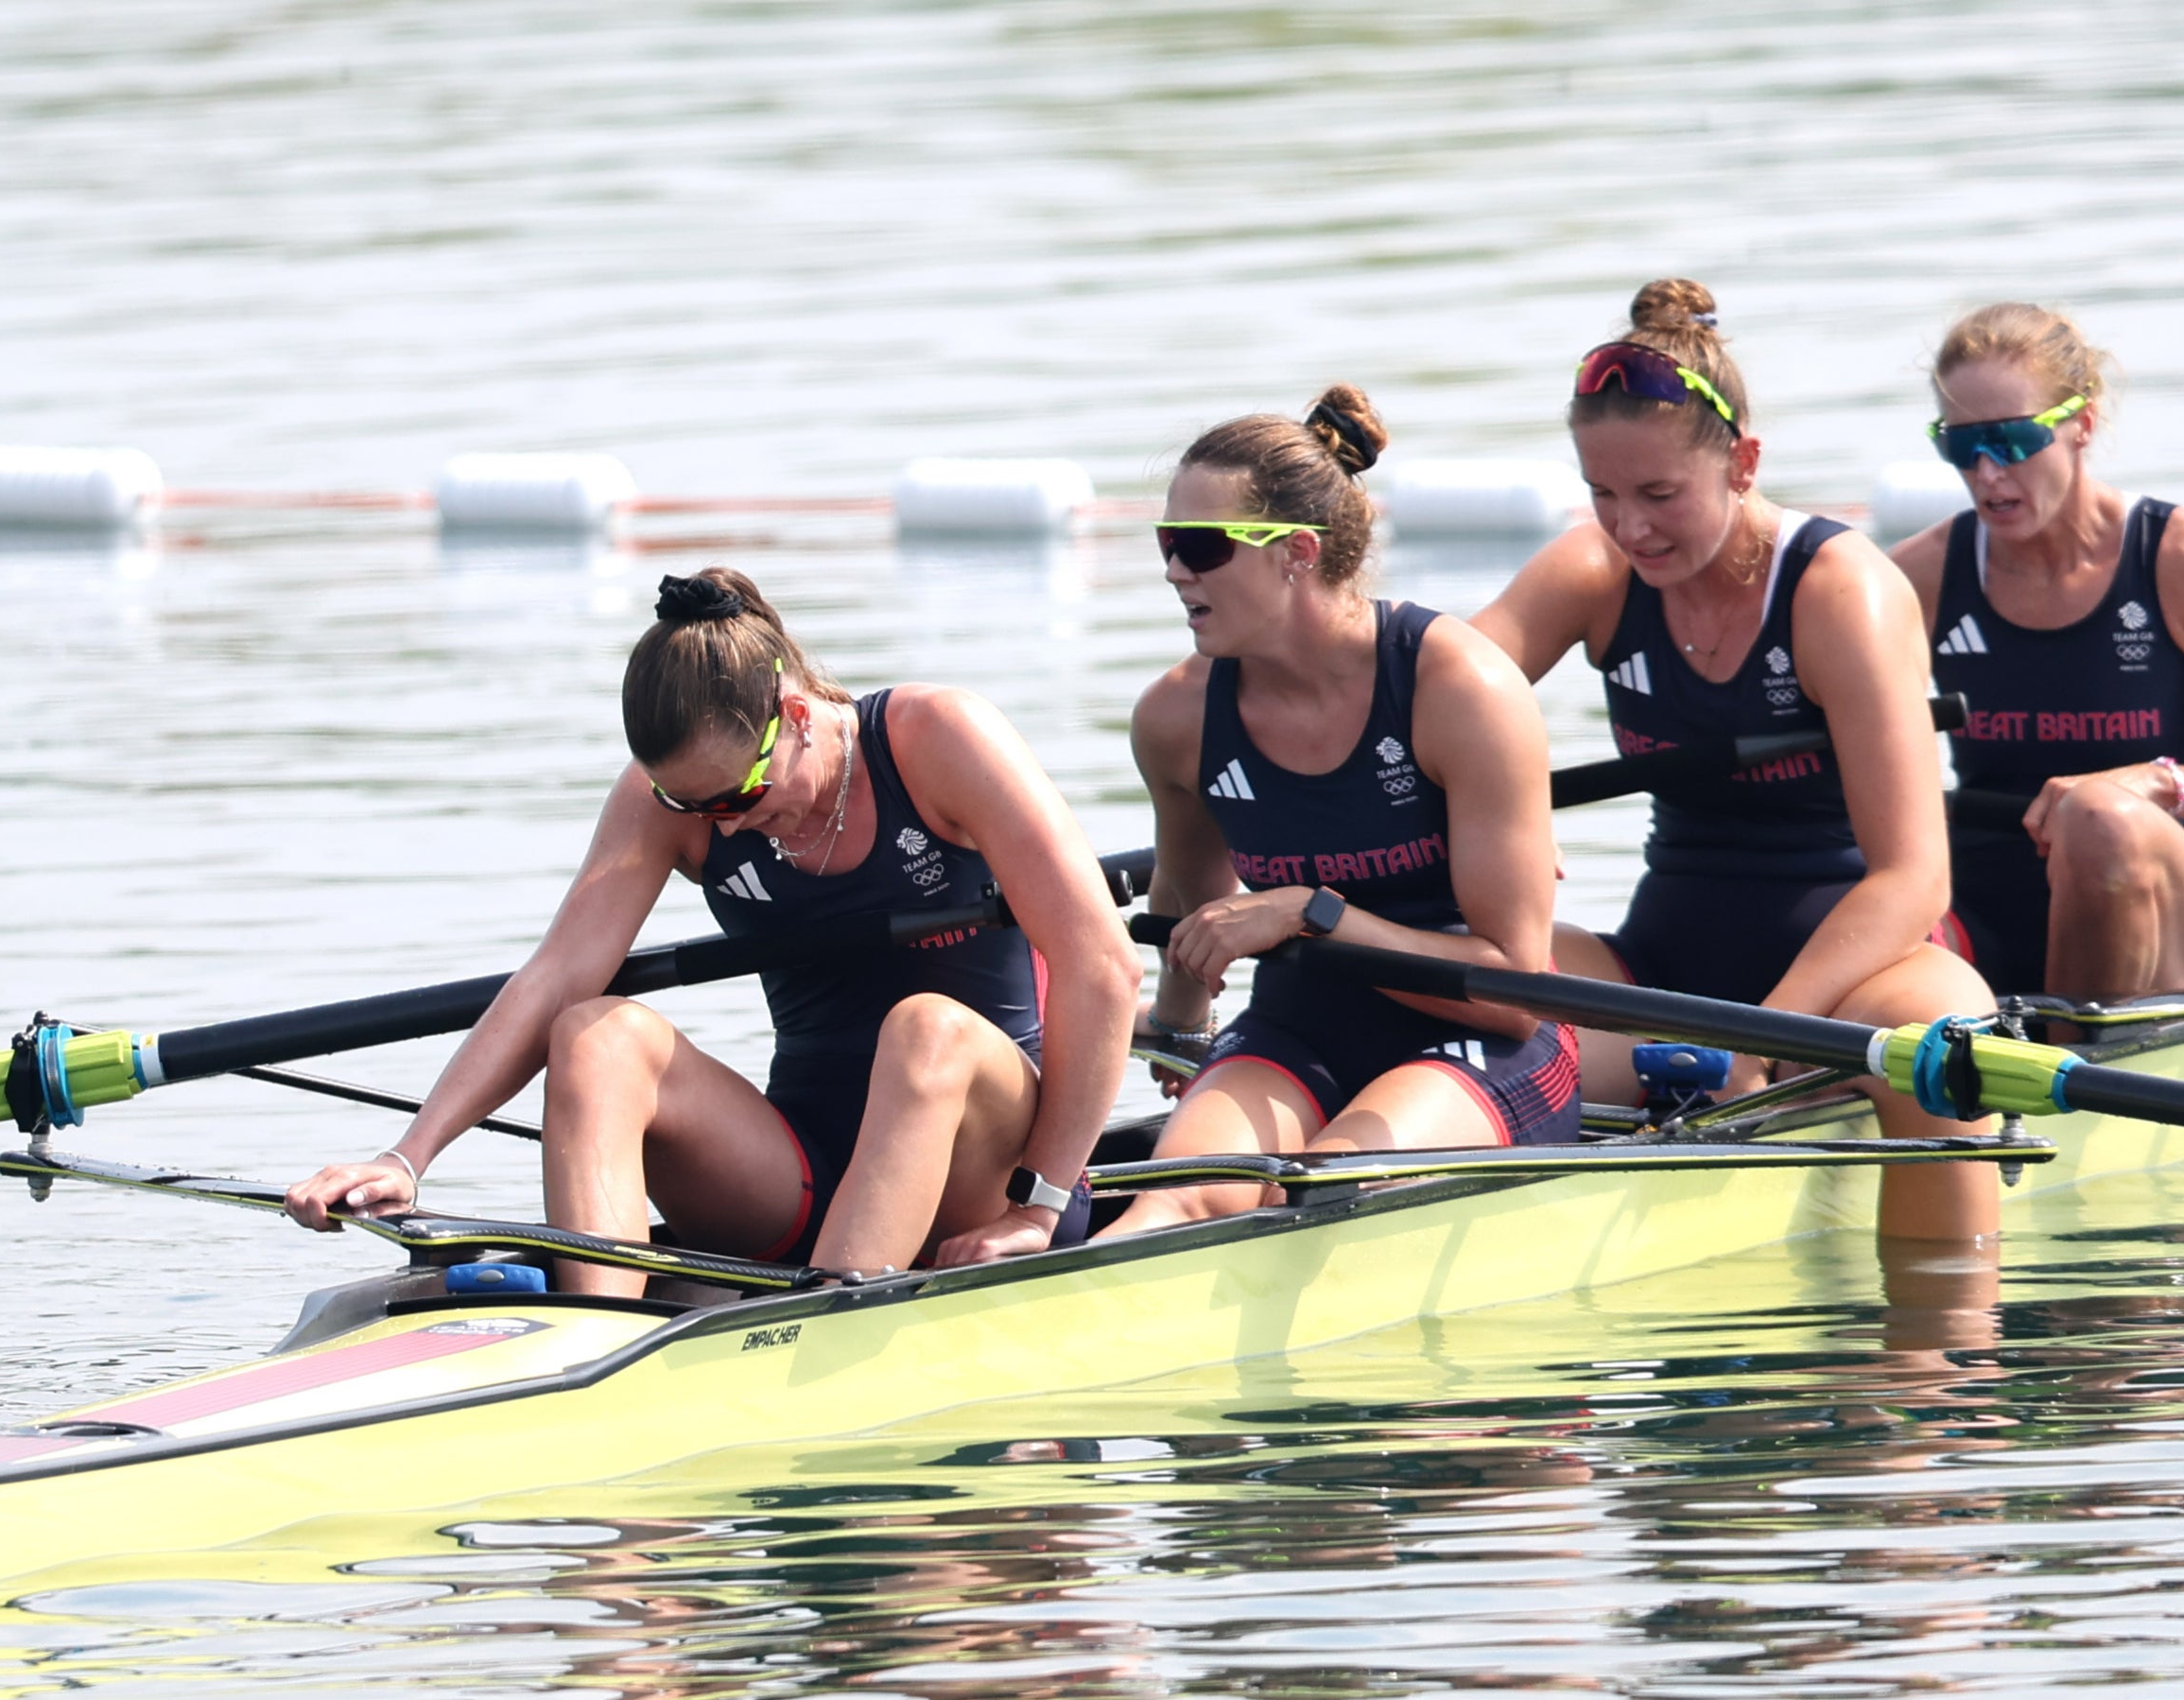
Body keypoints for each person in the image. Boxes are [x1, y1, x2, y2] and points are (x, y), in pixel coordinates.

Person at [285, 567, 1139, 1286]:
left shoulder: (938, 738)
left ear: (796, 718)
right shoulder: (675, 798)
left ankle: (834, 1317)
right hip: (799, 1166)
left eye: (736, 798)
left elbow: (1103, 965)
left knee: (924, 1029)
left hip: (981, 1176)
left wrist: (1042, 1203)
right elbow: (554, 976)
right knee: (592, 1032)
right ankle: (597, 1338)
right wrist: (408, 1156)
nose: (719, 828)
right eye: (686, 805)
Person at [1469, 278, 2001, 1244]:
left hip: (1860, 980)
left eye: (1660, 495)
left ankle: (1937, 1358)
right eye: (1602, 494)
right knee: (1446, 988)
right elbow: (1425, 700)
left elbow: (1914, 877)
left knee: (1937, 1052)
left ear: (1743, 463)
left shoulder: (1841, 592)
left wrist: (1757, 1039)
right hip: (1661, 971)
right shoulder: (1593, 571)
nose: (1629, 527)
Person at [1111, 387, 1579, 1235]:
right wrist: (1178, 1026)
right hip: (1301, 1026)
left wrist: (1313, 916)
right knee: (1174, 1199)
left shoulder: (1458, 689)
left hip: (1485, 1041)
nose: (1175, 569)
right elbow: (1186, 898)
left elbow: (1514, 989)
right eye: (1166, 544)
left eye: (1201, 547)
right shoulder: (1175, 720)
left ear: (1294, 552)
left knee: (1327, 1189)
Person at [1889, 303, 2184, 1001]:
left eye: (2012, 440)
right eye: (1960, 447)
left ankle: (2075, 1066)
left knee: (2100, 819)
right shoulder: (1916, 579)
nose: (1986, 473)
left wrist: (2161, 783)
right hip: (1977, 924)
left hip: (2163, 933)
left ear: (2083, 422)